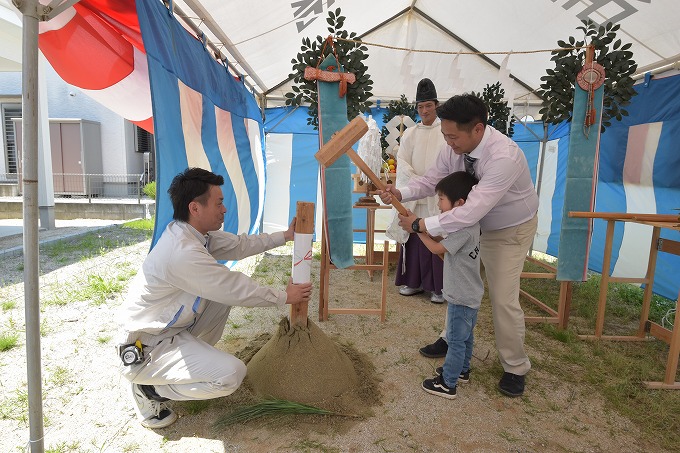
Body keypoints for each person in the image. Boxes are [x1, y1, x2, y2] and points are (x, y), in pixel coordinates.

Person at [117, 167, 312, 428]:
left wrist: (285, 236)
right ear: (195, 208)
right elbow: (232, 286)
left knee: (221, 298)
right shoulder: (182, 251)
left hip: (171, 328)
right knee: (231, 374)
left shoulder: (194, 235)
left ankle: (184, 366)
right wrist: (283, 296)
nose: (224, 209)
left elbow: (239, 246)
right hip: (148, 345)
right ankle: (149, 389)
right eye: (219, 203)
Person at [378, 94, 539, 397]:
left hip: (508, 229)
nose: (448, 142)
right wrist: (400, 192)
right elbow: (431, 181)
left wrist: (421, 225)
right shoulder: (454, 146)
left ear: (477, 130)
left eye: (453, 137)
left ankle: (515, 367)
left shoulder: (504, 156)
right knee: (458, 282)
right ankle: (452, 339)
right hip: (469, 225)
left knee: (502, 298)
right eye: (445, 135)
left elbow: (472, 210)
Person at [418, 171, 481, 399]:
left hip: (461, 297)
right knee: (465, 337)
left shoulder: (463, 230)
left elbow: (436, 249)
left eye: (442, 199)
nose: (438, 204)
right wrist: (424, 231)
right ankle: (461, 370)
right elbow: (443, 245)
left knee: (455, 340)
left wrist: (417, 231)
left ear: (460, 203)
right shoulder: (471, 226)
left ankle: (448, 383)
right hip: (470, 295)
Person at [387, 78, 447, 304]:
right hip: (415, 192)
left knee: (436, 233)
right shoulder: (410, 134)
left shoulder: (445, 131)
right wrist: (417, 181)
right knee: (413, 237)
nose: (424, 111)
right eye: (420, 107)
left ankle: (438, 287)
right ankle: (413, 282)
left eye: (428, 106)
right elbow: (402, 161)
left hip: (438, 194)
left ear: (436, 105)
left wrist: (434, 183)